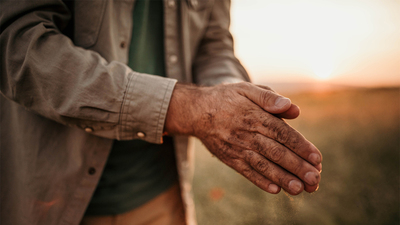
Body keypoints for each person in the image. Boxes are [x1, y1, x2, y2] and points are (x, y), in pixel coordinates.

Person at [0, 0, 322, 225]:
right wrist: (186, 107)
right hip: (49, 205)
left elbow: (214, 45)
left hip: (164, 199)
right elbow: (17, 40)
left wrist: (230, 96)